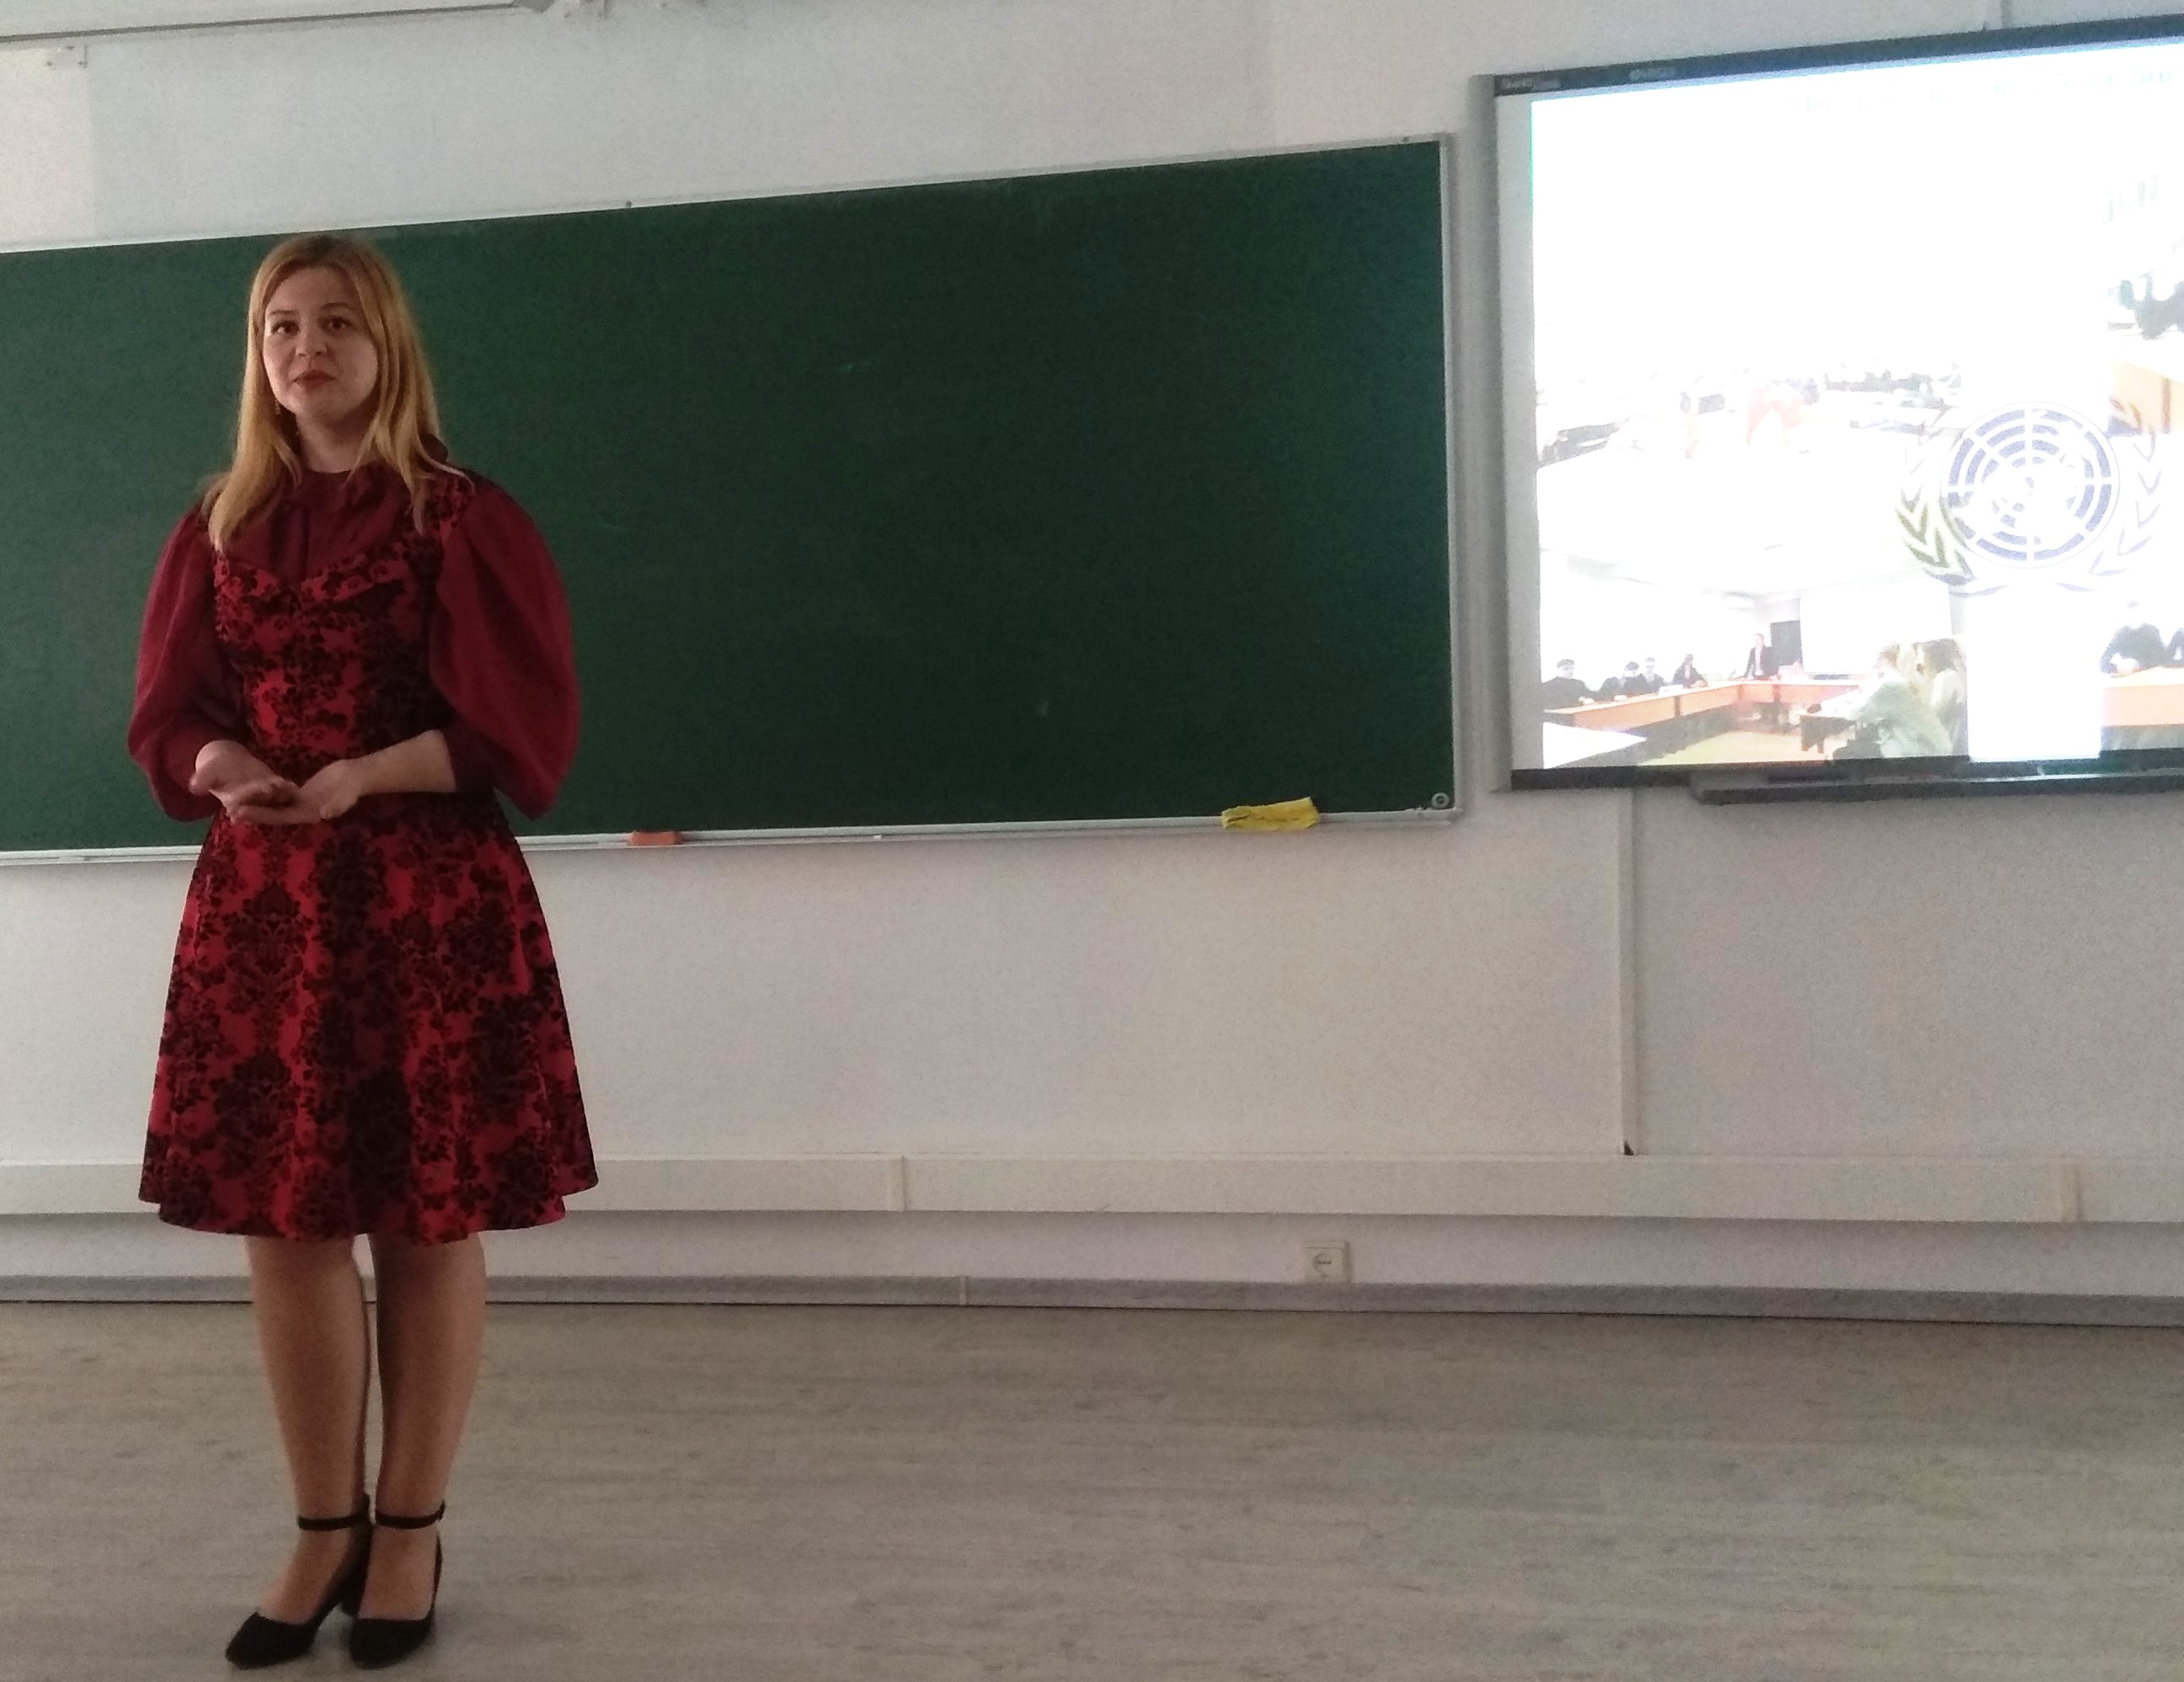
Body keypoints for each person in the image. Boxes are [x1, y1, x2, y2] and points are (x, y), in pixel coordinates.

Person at [126, 233, 598, 1671]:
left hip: (424, 904)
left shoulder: (461, 518)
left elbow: (519, 730)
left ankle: (410, 1526)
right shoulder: (218, 524)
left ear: (386, 344)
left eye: (335, 322)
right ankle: (321, 1524)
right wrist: (222, 765)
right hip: (267, 912)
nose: (305, 348)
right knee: (286, 1224)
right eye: (280, 326)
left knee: (424, 1217)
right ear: (256, 354)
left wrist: (363, 776)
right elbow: (171, 715)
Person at [1832, 642, 1952, 758]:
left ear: (1883, 659)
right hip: (1929, 747)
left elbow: (1858, 713)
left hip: (1911, 751)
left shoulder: (1891, 684)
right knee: (1863, 739)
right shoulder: (1903, 680)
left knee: (1843, 754)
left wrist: (1837, 706)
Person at [1918, 638, 1969, 755]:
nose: (1918, 659)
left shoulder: (1946, 677)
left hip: (1948, 740)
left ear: (1930, 656)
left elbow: (1935, 711)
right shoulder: (1944, 676)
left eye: (1920, 654)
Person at [2100, 602, 2165, 674]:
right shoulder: (2120, 635)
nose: (2131, 617)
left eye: (2135, 614)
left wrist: (2138, 665)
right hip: (2129, 676)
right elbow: (2103, 663)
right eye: (2128, 615)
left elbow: (2163, 658)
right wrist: (2117, 668)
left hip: (2151, 674)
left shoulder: (2152, 631)